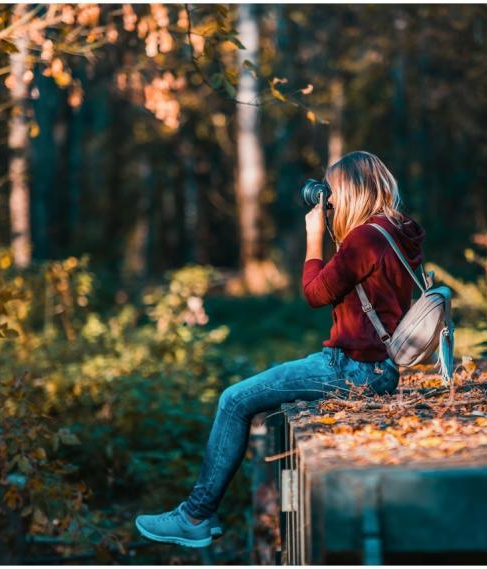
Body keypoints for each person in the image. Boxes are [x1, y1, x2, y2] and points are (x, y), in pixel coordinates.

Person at [134, 150, 426, 547]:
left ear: (353, 190)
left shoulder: (365, 239)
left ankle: (195, 516)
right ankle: (196, 514)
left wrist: (313, 238)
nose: (331, 201)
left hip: (353, 369)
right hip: (380, 368)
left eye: (334, 191)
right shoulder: (398, 231)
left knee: (234, 400)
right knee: (251, 395)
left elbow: (315, 293)